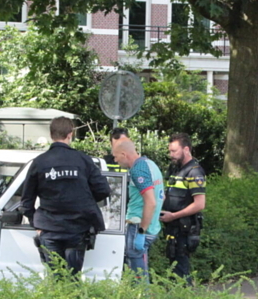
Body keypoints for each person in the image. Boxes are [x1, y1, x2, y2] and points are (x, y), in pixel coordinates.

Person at [17, 116, 111, 276]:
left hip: (49, 228)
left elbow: (26, 202)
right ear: (70, 134)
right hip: (77, 228)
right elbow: (103, 190)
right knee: (73, 278)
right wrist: (83, 202)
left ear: (51, 134)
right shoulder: (83, 160)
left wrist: (37, 224)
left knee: (56, 278)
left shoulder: (39, 162)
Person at [112, 139, 164, 281]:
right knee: (141, 271)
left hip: (138, 226)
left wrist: (141, 231)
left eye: (116, 157)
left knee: (138, 276)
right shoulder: (150, 164)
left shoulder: (137, 170)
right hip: (151, 226)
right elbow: (161, 196)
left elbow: (151, 202)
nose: (116, 161)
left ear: (124, 154)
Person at [159, 133, 206, 282]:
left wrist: (173, 216)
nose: (170, 155)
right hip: (172, 227)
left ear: (186, 149)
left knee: (181, 269)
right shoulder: (175, 170)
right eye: (170, 151)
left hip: (184, 228)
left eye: (174, 151)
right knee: (174, 267)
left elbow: (199, 204)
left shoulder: (194, 172)